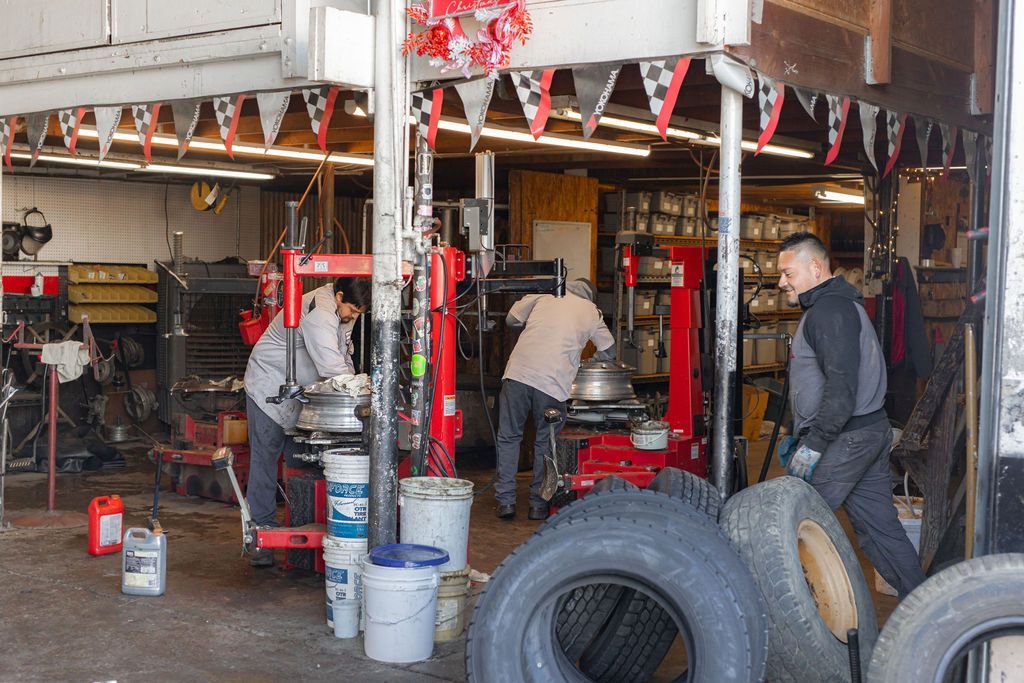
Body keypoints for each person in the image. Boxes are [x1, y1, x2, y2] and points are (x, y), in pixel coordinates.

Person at [777, 232, 926, 598]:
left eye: (788, 273)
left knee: (798, 523)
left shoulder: (829, 312)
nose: (781, 282)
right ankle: (926, 605)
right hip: (868, 433)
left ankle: (793, 621)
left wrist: (814, 444)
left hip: (847, 440)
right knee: (880, 532)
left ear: (814, 267)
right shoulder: (839, 305)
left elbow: (841, 390)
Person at [243, 276, 371, 567]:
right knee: (265, 462)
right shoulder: (320, 312)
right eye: (352, 310)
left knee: (301, 460)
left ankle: (302, 532)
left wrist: (354, 384)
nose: (353, 317)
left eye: (358, 314)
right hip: (269, 387)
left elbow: (344, 356)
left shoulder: (343, 312)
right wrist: (360, 390)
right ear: (339, 296)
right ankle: (261, 537)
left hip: (299, 394)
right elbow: (331, 366)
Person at [495, 278, 615, 520]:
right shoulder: (590, 311)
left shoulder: (543, 294)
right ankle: (538, 505)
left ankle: (505, 502)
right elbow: (609, 352)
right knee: (545, 444)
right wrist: (584, 361)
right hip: (553, 383)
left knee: (509, 438)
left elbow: (511, 319)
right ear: (589, 296)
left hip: (518, 375)